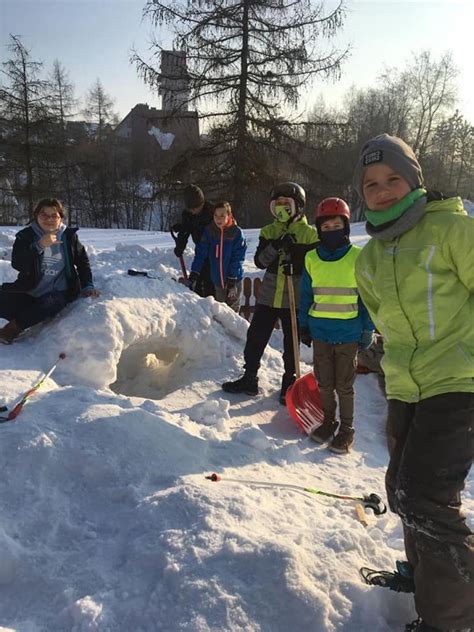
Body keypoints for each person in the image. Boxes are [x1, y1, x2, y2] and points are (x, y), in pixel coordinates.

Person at [353, 134, 474, 632]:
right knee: (400, 491)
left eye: (393, 179)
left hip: (459, 380)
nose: (382, 191)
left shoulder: (453, 230)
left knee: (423, 495)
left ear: (414, 179)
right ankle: (429, 582)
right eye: (371, 184)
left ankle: (453, 618)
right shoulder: (370, 259)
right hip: (405, 387)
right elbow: (385, 321)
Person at [222, 182, 318, 404]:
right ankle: (249, 376)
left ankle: (290, 381)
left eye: (287, 204)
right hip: (269, 296)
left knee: (290, 343)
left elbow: (315, 267)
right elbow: (259, 261)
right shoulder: (269, 231)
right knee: (256, 336)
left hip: (293, 299)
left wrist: (296, 257)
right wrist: (276, 246)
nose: (281, 209)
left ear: (299, 207)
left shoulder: (310, 235)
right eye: (277, 205)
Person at [298, 197, 375, 453]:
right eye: (326, 227)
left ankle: (346, 428)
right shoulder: (311, 258)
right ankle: (329, 421)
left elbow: (367, 298)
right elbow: (306, 295)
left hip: (348, 334)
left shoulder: (357, 257)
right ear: (320, 230)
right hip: (320, 333)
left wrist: (367, 329)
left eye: (336, 225)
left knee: (344, 385)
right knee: (324, 383)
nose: (331, 231)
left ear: (346, 226)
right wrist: (303, 324)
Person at [0, 198, 100, 344]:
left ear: (60, 218)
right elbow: (18, 263)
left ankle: (11, 330)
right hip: (29, 290)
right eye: (44, 215)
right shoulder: (26, 236)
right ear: (36, 216)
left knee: (50, 303)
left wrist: (88, 285)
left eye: (54, 215)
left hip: (58, 293)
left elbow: (82, 262)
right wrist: (39, 245)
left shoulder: (69, 236)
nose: (49, 219)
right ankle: (26, 315)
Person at [186, 201, 247, 312]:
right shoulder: (210, 231)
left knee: (232, 313)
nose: (218, 219)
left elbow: (238, 258)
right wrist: (195, 271)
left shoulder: (236, 233)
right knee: (220, 312)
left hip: (233, 281)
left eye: (222, 216)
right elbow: (201, 252)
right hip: (218, 280)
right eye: (216, 216)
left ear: (229, 215)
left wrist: (232, 278)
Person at [172, 184, 215, 297]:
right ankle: (197, 303)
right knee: (199, 281)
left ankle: (212, 307)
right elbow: (185, 231)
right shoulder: (188, 214)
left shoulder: (212, 212)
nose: (193, 211)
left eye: (196, 208)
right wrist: (180, 246)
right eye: (190, 208)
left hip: (215, 253)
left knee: (210, 283)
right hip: (200, 251)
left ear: (202, 203)